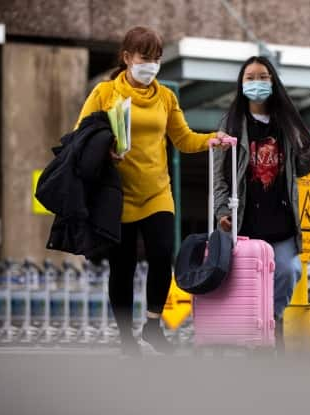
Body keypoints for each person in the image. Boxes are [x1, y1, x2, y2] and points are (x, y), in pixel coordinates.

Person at [75, 26, 228, 356]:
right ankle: (124, 337)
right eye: (146, 58)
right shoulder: (104, 93)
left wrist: (213, 139)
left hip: (157, 190)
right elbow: (80, 136)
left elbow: (184, 139)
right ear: (127, 58)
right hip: (117, 194)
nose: (152, 65)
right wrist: (105, 151)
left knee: (162, 256)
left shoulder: (166, 97)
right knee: (123, 265)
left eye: (157, 59)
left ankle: (153, 324)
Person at [213, 56, 310, 329]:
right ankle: (247, 328)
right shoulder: (230, 124)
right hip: (244, 220)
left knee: (289, 271)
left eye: (263, 77)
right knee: (244, 278)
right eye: (250, 77)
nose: (257, 83)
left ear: (273, 82)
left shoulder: (286, 123)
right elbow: (219, 177)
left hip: (281, 220)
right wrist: (221, 212)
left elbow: (299, 170)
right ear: (241, 84)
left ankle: (271, 322)